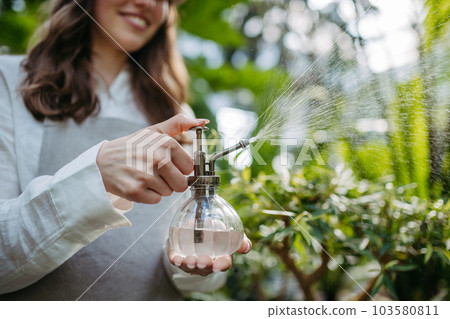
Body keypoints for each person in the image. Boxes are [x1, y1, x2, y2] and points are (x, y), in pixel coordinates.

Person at [0, 0, 251, 300]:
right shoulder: (10, 82)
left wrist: (194, 262)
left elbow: (187, 268)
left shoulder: (174, 110)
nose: (146, 2)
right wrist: (96, 178)